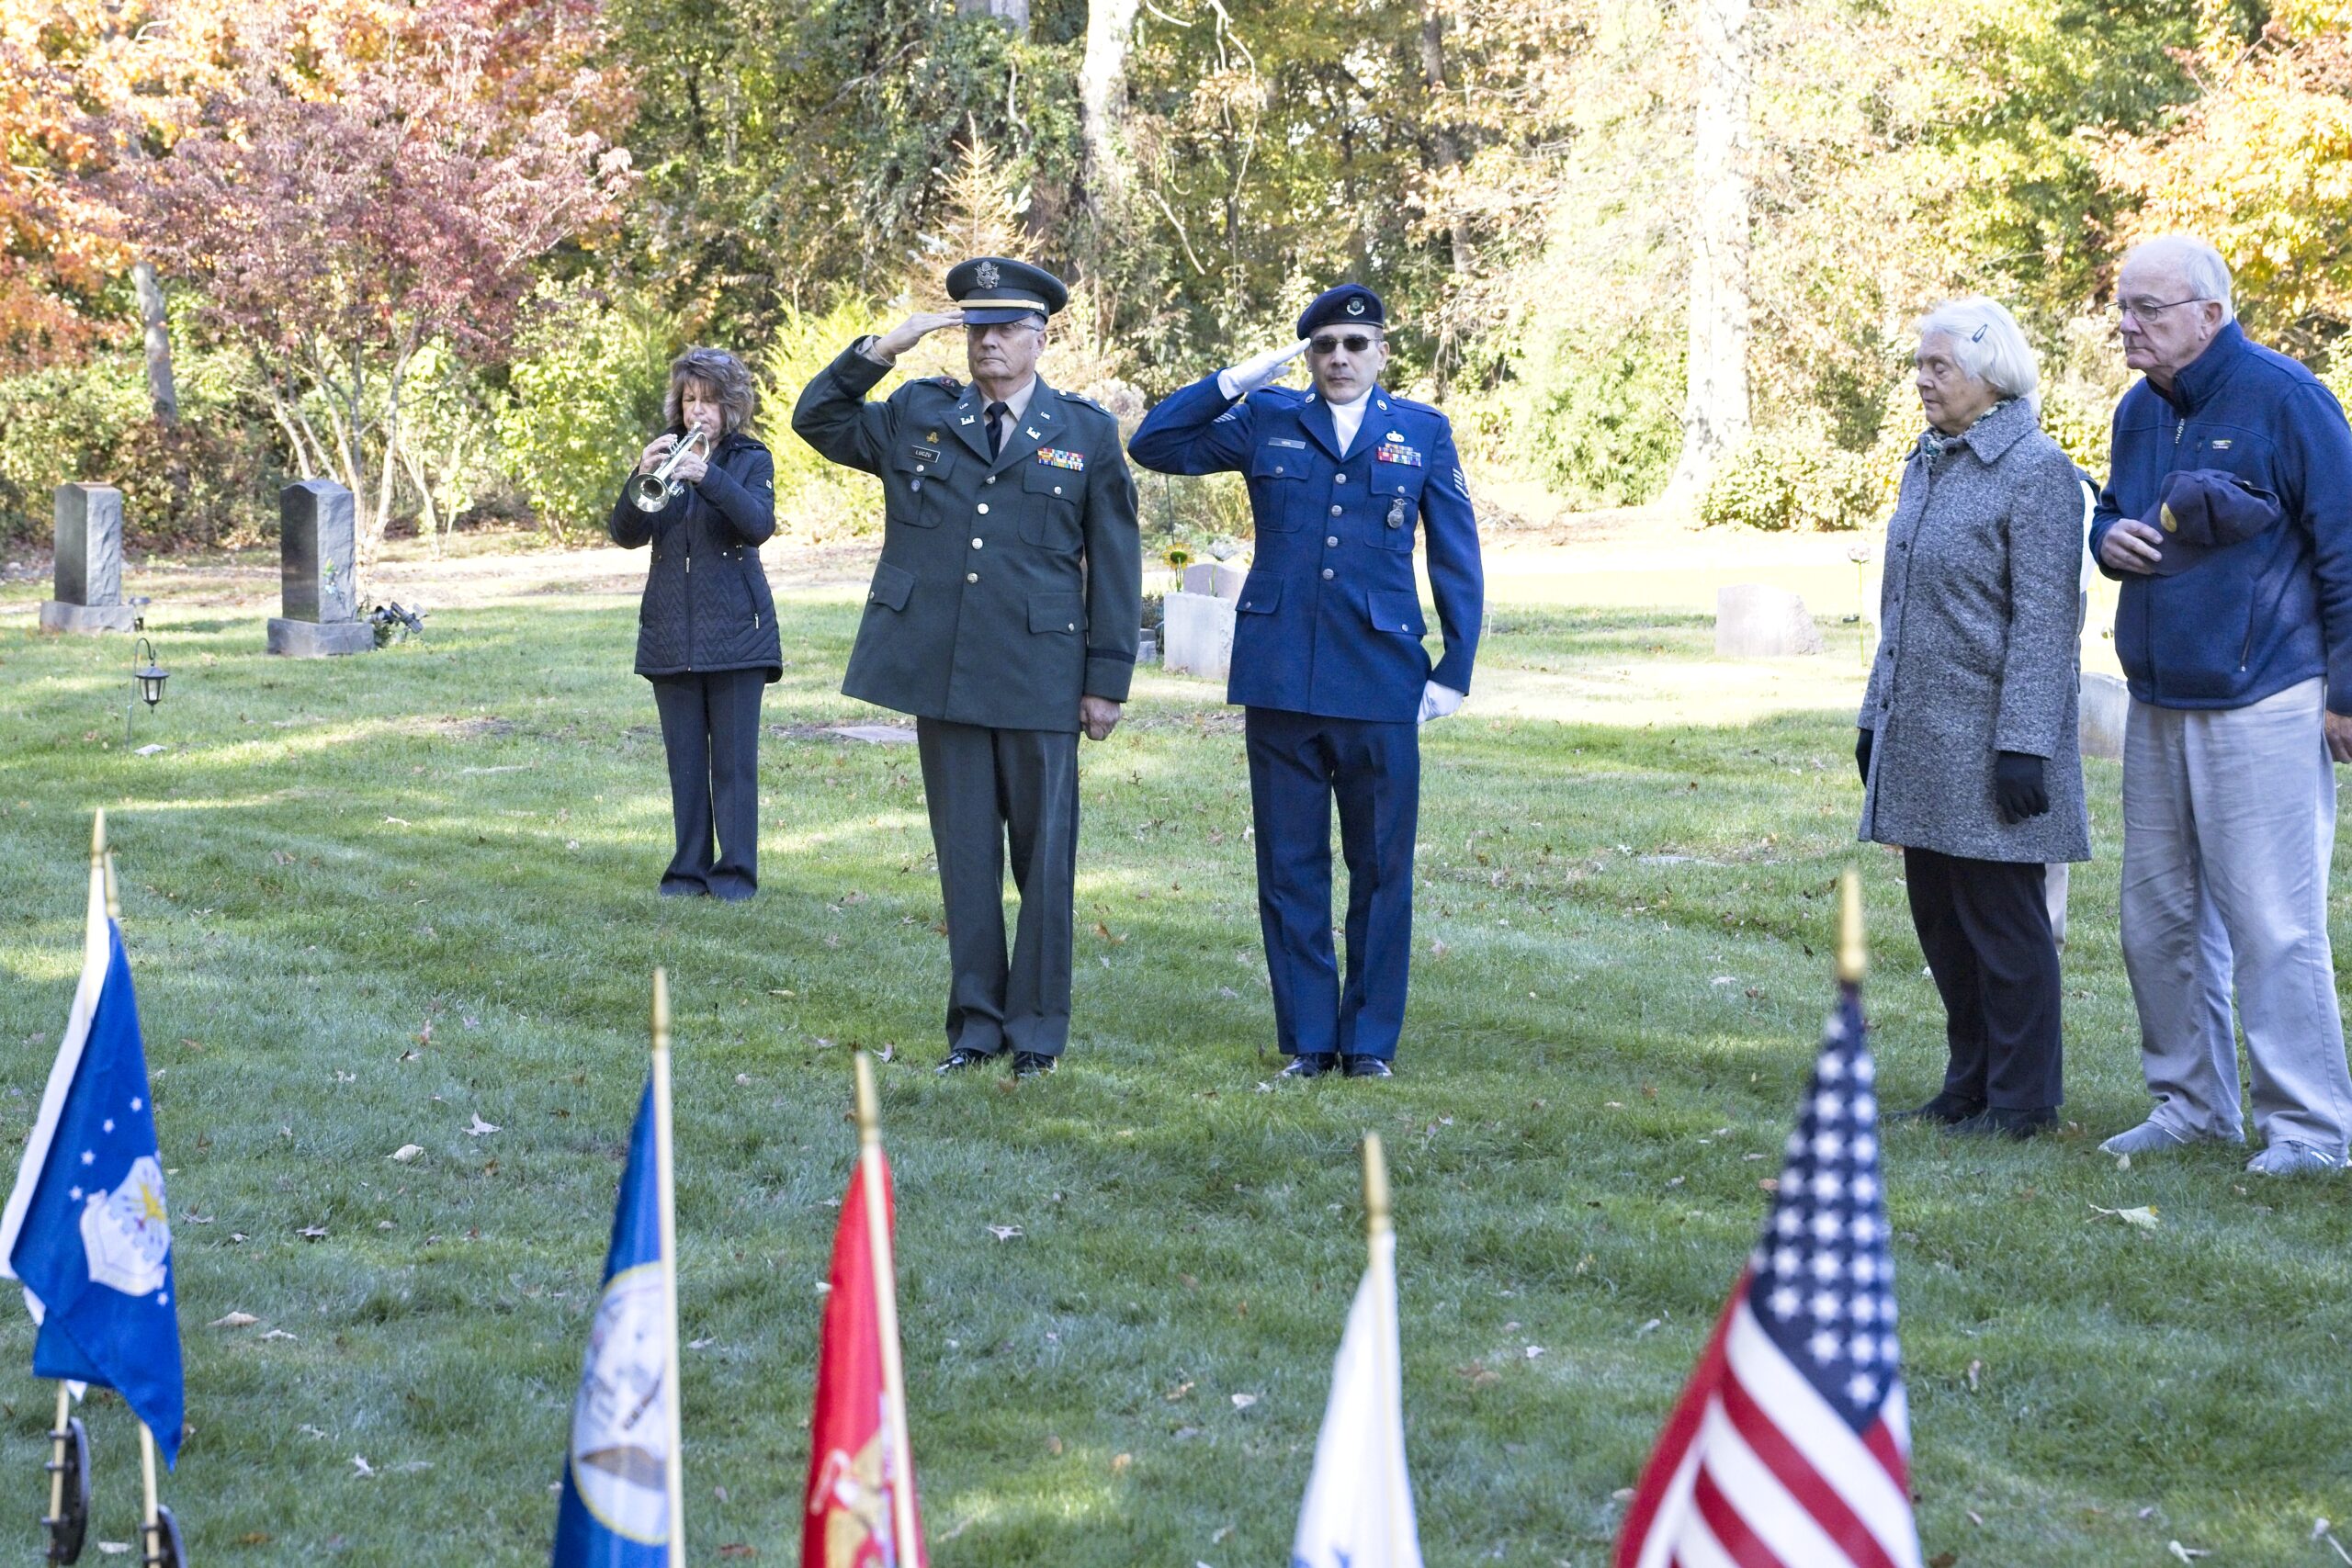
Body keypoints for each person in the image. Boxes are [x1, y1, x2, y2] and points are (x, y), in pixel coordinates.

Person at [790, 257, 1141, 1081]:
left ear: (1040, 338)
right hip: (942, 671)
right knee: (966, 858)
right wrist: (884, 348)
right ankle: (975, 1029)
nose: (989, 341)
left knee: (1043, 862)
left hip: (1040, 671)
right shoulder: (918, 410)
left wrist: (1107, 678)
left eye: (1007, 327)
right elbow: (817, 418)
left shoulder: (1085, 432)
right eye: (977, 327)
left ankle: (1039, 1035)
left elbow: (1117, 563)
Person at [1127, 284, 1483, 1079]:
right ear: (1307, 356)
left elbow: (1456, 549)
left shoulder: (1420, 432)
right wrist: (1238, 379)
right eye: (1323, 346)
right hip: (1282, 672)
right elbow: (1154, 442)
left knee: (1382, 865)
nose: (1339, 359)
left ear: (1381, 352)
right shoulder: (1268, 419)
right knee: (1290, 865)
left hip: (1381, 676)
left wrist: (1454, 667)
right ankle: (1311, 1039)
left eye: (1356, 344)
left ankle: (1369, 1043)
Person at [2088, 234, 2352, 1177]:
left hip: (2267, 699)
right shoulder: (2136, 411)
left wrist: (2346, 694)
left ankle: (2312, 1131)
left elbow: (2346, 547)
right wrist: (2105, 535)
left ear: (2209, 313)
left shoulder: (2288, 399)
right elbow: (2110, 508)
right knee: (2155, 920)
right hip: (2156, 700)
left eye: (2147, 309)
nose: (2127, 325)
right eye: (2121, 307)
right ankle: (2191, 1106)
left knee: (2273, 922)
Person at [1857, 297, 2090, 1138]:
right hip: (1920, 735)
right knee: (1944, 923)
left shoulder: (2036, 471)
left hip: (1994, 742)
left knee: (2005, 925)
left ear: (1991, 377)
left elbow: (2045, 622)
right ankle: (1969, 1082)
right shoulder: (1929, 460)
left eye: (1938, 366)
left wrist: (2025, 744)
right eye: (1919, 364)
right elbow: (1901, 603)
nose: (1922, 380)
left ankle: (2023, 1100)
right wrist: (1871, 718)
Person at [610, 347, 779, 900]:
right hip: (670, 631)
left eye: (708, 402)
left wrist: (707, 476)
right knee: (685, 766)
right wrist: (643, 473)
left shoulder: (752, 458)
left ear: (731, 407)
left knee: (734, 767)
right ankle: (686, 874)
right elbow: (626, 534)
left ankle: (734, 878)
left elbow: (757, 526)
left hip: (737, 632)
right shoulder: (660, 457)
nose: (696, 412)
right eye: (689, 400)